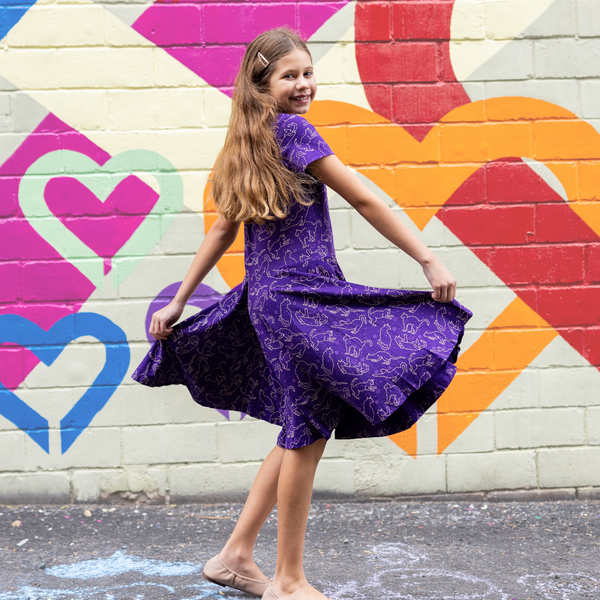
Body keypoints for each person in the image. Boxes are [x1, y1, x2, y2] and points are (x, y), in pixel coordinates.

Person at [132, 27, 471, 600]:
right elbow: (362, 196)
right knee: (307, 431)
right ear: (261, 84)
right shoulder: (291, 131)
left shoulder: (245, 141)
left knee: (301, 428)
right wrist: (427, 257)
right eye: (289, 76)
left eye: (308, 73)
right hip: (300, 300)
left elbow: (221, 229)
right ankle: (288, 581)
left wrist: (180, 300)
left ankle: (235, 555)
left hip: (275, 299)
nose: (303, 84)